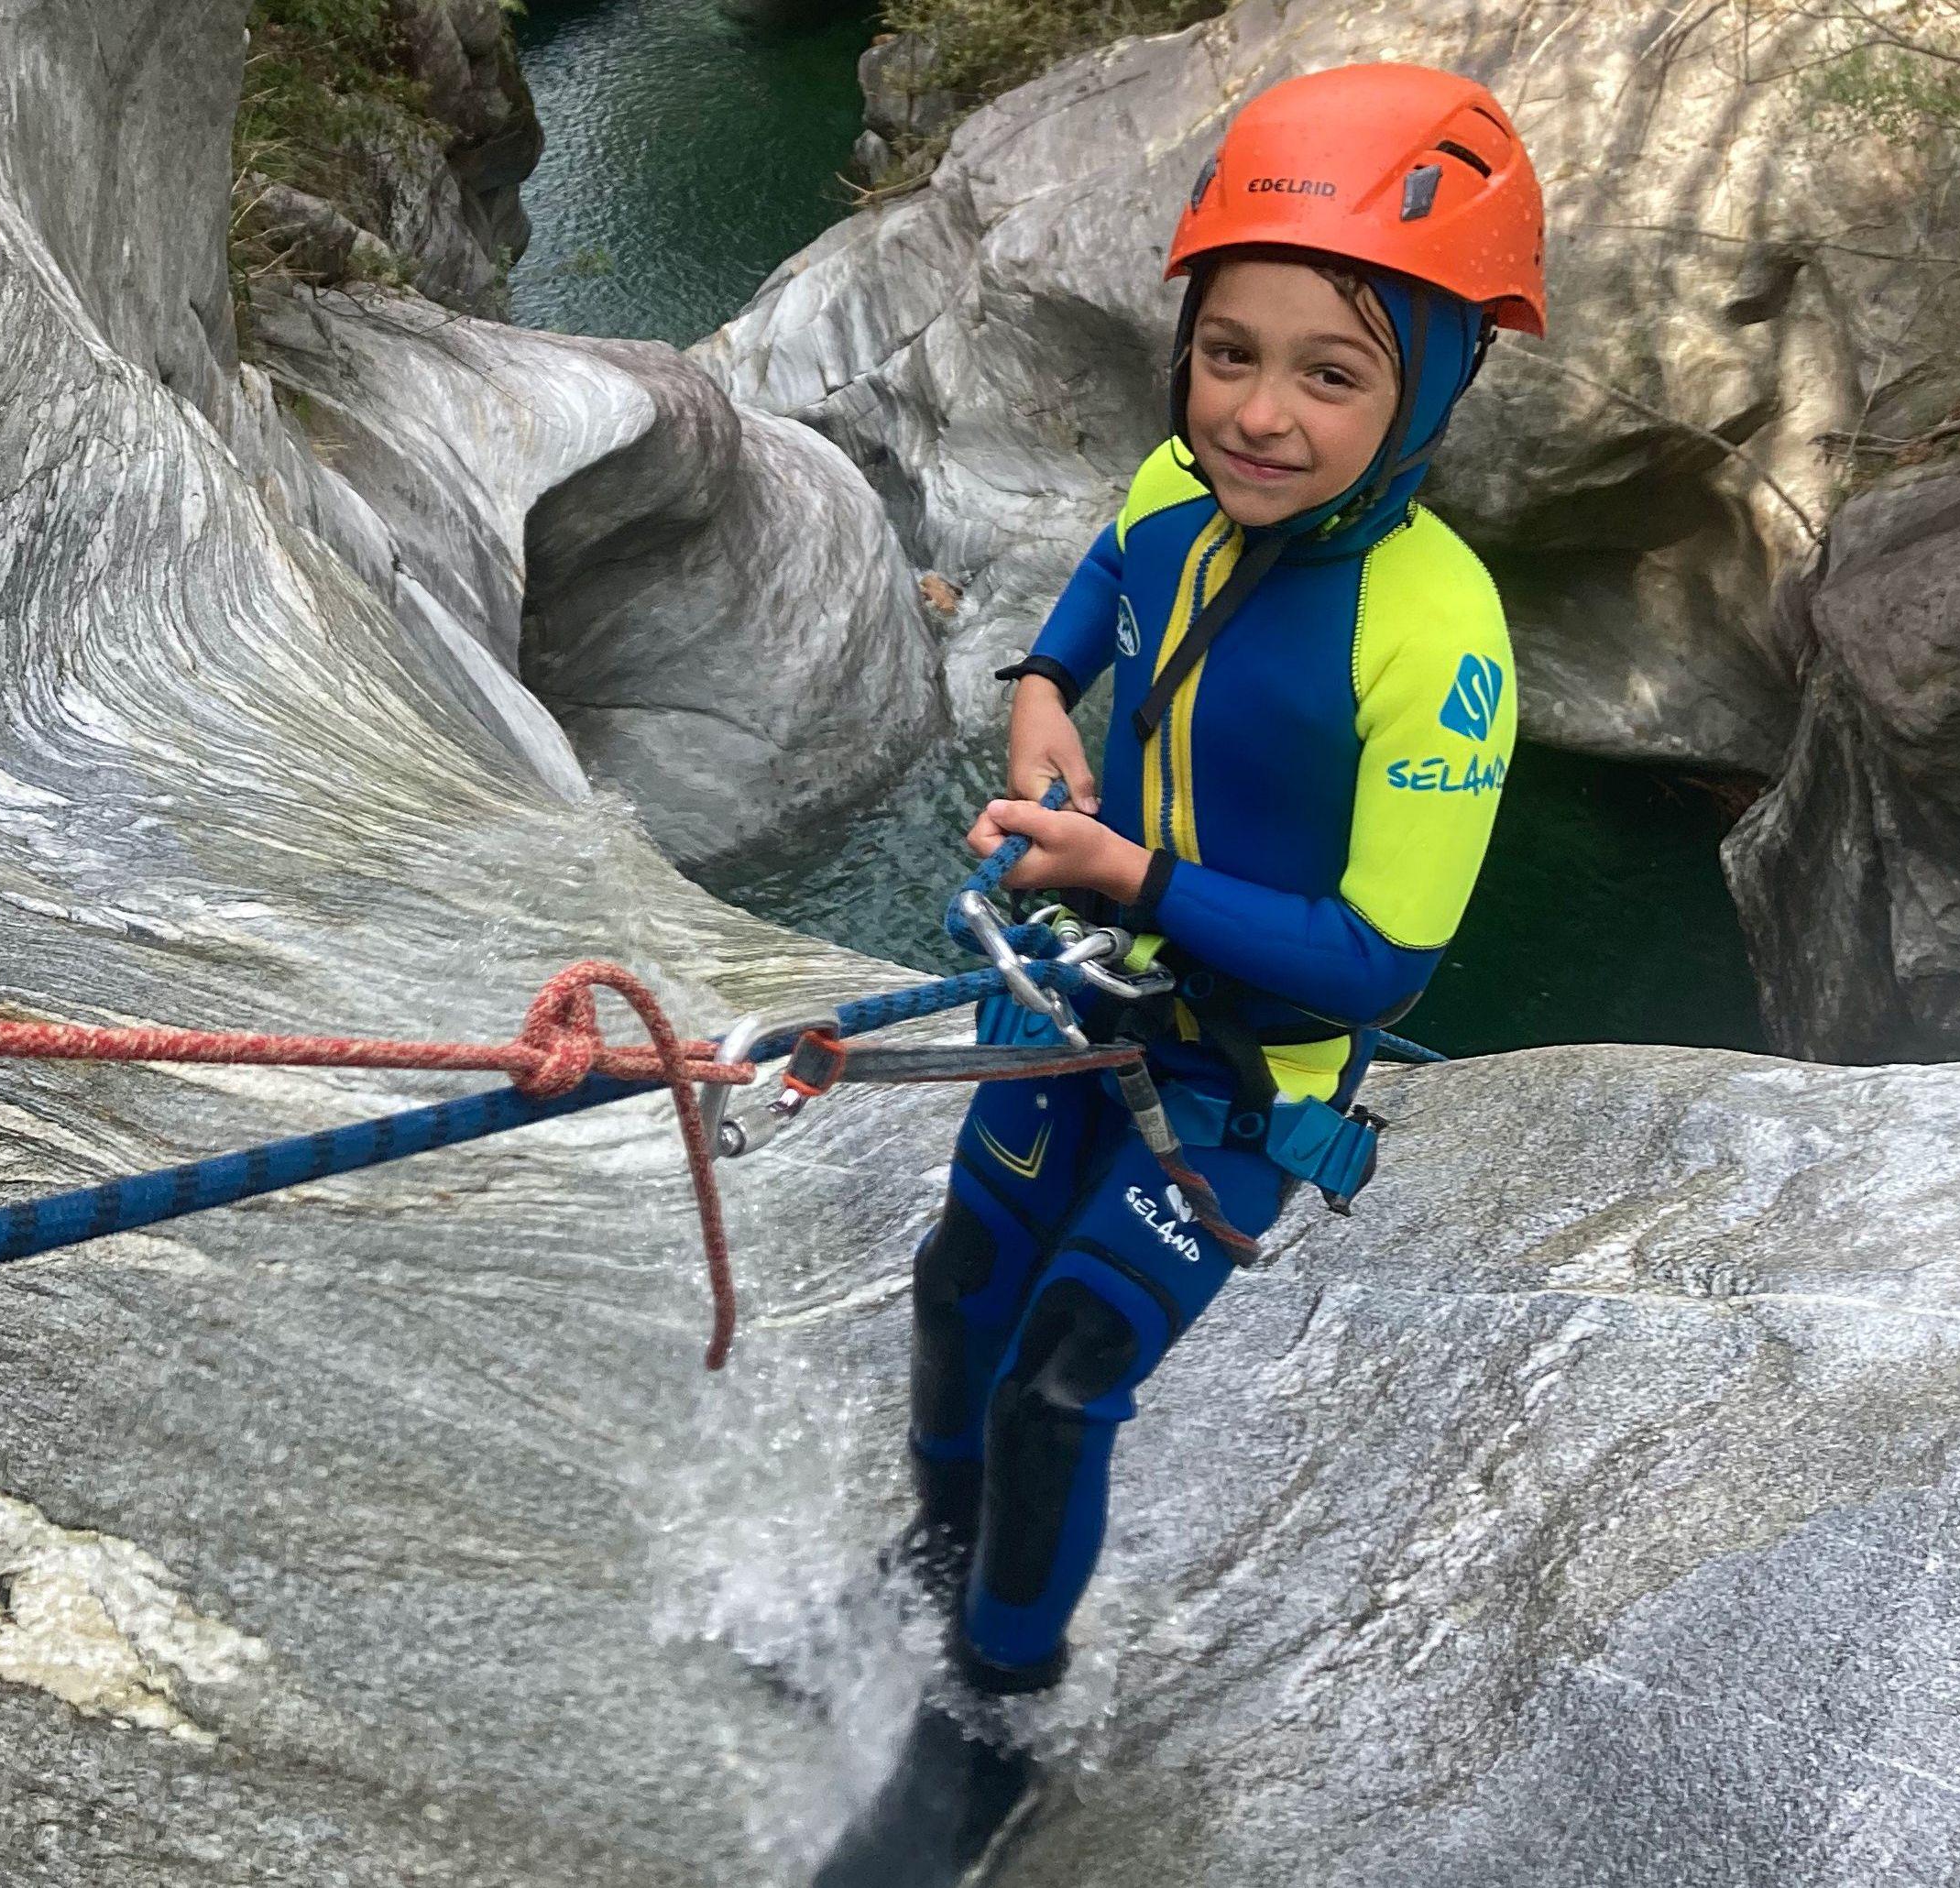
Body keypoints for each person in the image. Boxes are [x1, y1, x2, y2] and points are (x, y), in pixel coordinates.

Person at [816, 60, 1547, 1885]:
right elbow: (1075, 621)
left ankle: (988, 1718)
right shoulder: (1162, 487)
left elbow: (1377, 956)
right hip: (1060, 996)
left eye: (1331, 370)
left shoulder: (1438, 634)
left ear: (1431, 386)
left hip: (1240, 1079)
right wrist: (1043, 705)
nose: (1258, 414)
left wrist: (1131, 868)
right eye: (1228, 352)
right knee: (962, 1282)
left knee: (1062, 1377)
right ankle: (931, 1560)